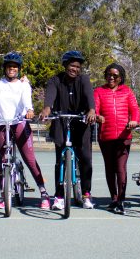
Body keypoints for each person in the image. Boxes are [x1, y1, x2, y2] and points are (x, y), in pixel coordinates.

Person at [0, 52, 50, 210]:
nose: (11, 69)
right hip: (1, 124)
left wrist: (29, 110)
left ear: (18, 69)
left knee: (30, 159)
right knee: (4, 160)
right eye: (9, 66)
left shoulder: (23, 85)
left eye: (14, 66)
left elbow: (27, 100)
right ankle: (3, 195)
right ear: (5, 68)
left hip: (19, 122)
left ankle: (44, 193)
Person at [38, 50, 97, 210]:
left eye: (78, 66)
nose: (75, 69)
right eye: (72, 65)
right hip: (61, 122)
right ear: (65, 65)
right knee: (60, 161)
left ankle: (86, 194)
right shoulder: (55, 80)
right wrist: (47, 109)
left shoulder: (84, 80)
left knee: (86, 159)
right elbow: (50, 97)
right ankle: (58, 196)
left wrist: (92, 110)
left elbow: (89, 96)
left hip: (81, 121)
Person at [94, 63, 140, 214]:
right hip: (105, 136)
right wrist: (97, 116)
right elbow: (95, 109)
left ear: (121, 77)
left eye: (115, 75)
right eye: (109, 74)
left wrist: (134, 121)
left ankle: (121, 199)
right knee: (110, 168)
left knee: (120, 168)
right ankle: (113, 198)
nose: (111, 77)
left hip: (123, 136)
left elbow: (135, 110)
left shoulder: (127, 91)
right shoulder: (99, 91)